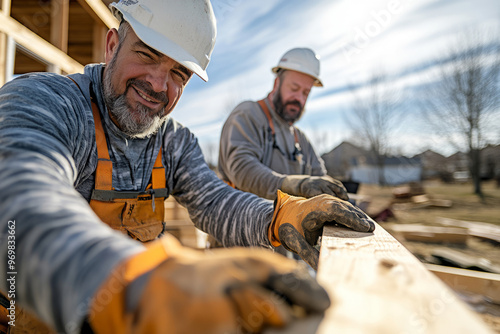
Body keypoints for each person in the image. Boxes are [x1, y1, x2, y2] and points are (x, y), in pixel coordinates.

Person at [0, 1, 375, 333]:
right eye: (147, 54)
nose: (158, 84)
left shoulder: (173, 140)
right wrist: (137, 284)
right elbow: (18, 197)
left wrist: (279, 217)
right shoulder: (48, 103)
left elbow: (215, 202)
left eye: (179, 73)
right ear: (112, 45)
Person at [219, 47, 349, 201]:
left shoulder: (300, 138)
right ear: (276, 83)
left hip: (285, 223)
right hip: (239, 220)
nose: (299, 98)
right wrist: (293, 185)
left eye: (305, 93)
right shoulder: (248, 115)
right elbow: (243, 170)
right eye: (294, 88)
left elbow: (319, 177)